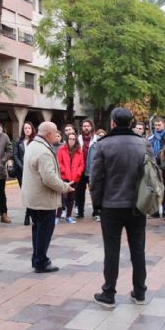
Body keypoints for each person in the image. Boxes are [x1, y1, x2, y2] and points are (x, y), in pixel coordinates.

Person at [90, 107, 149, 308]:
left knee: (112, 250)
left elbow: (95, 178)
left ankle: (109, 294)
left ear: (113, 122)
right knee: (138, 250)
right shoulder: (143, 144)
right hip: (137, 205)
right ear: (131, 123)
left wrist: (96, 204)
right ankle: (140, 292)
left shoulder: (103, 145)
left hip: (110, 205)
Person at [22, 122, 74, 273]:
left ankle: (37, 259)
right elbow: (49, 178)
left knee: (38, 230)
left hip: (33, 198)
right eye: (55, 132)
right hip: (43, 200)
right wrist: (65, 187)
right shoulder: (43, 150)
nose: (57, 135)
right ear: (49, 134)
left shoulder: (32, 145)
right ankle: (41, 262)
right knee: (43, 231)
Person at [57, 133, 85, 224]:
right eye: (70, 139)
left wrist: (78, 174)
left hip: (75, 178)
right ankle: (58, 216)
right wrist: (64, 171)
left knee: (71, 198)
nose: (71, 140)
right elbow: (59, 162)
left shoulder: (79, 151)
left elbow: (81, 165)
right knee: (62, 197)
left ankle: (69, 216)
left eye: (73, 139)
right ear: (67, 139)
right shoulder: (61, 149)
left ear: (76, 140)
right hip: (64, 177)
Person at [14, 121, 36, 226]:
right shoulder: (18, 142)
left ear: (32, 129)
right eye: (25, 128)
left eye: (29, 128)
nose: (27, 130)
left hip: (33, 172)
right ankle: (29, 214)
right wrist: (22, 167)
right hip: (21, 172)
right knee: (26, 193)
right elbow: (15, 155)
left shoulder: (35, 142)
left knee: (31, 193)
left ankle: (28, 214)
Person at [148, 117, 165, 218]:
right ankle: (155, 210)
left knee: (164, 188)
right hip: (154, 165)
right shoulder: (151, 137)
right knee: (154, 188)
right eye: (156, 125)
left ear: (164, 125)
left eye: (159, 125)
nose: (157, 127)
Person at [75, 119, 98, 218]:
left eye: (88, 126)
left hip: (92, 170)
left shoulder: (97, 139)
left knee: (94, 192)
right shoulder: (77, 139)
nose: (86, 128)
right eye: (84, 126)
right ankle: (80, 212)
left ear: (91, 127)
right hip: (80, 170)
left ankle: (96, 212)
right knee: (79, 192)